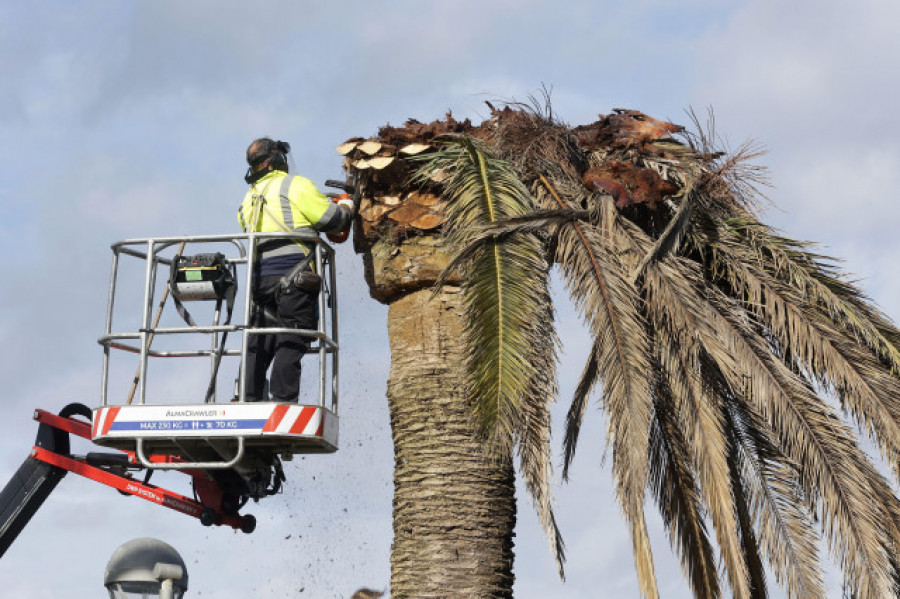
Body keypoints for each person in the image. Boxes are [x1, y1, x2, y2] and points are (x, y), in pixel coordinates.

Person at [237, 137, 353, 402]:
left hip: (260, 282)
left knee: (260, 342)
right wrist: (346, 205)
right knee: (292, 338)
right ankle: (283, 400)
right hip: (295, 278)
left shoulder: (249, 198)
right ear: (276, 159)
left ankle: (248, 398)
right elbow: (332, 220)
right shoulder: (295, 185)